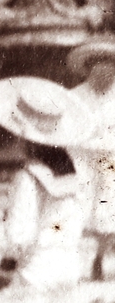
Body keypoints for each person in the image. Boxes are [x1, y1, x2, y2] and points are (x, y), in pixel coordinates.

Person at [0, 77, 94, 303]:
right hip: (68, 260)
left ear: (25, 139)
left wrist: (7, 265)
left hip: (37, 263)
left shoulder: (28, 178)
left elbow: (19, 233)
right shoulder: (77, 175)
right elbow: (78, 218)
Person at [68, 36, 115, 280]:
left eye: (109, 65)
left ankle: (100, 256)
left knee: (110, 211)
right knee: (80, 210)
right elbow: (68, 130)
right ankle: (79, 261)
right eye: (98, 65)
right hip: (84, 160)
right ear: (88, 68)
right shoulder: (75, 96)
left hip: (113, 161)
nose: (105, 70)